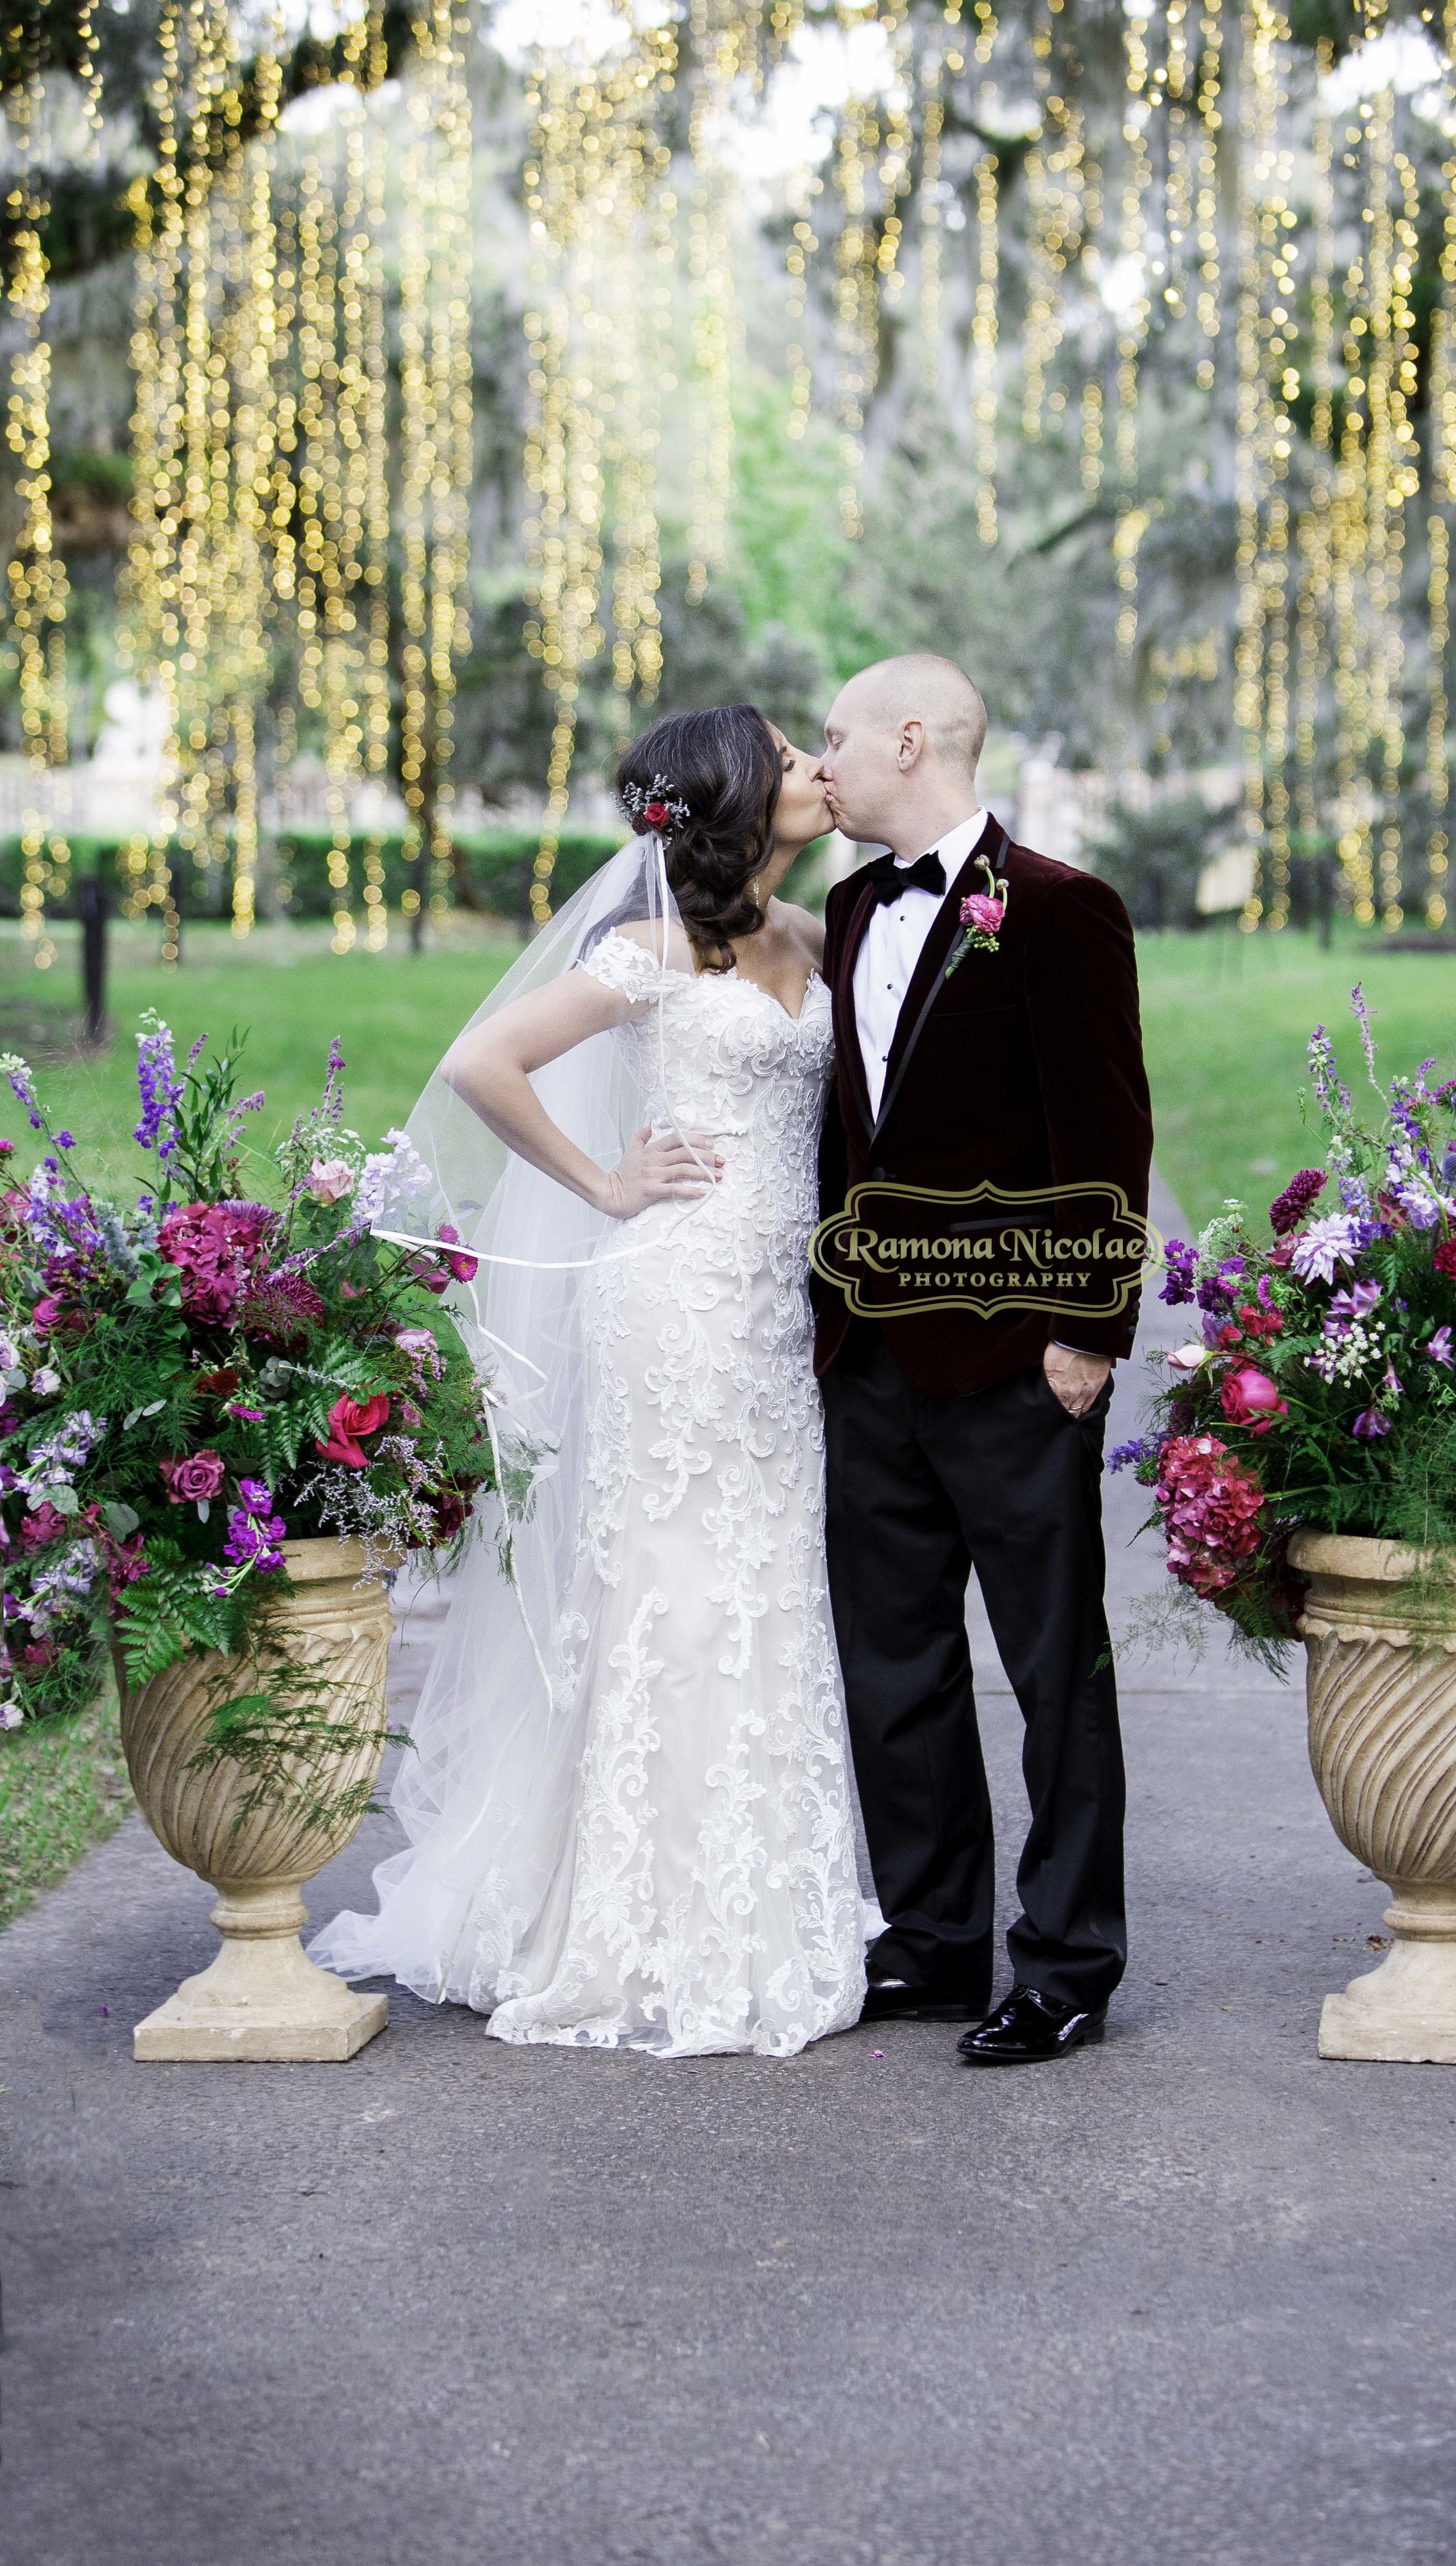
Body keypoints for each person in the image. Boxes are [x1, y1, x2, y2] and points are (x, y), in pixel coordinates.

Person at [311, 705, 872, 2058]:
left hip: (773, 1317)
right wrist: (605, 1182)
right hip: (669, 1301)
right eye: (794, 758)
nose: (815, 772)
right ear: (741, 795)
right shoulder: (650, 950)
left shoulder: (808, 939)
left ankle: (760, 1907)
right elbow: (479, 1063)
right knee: (672, 1595)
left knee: (767, 1589)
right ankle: (637, 1926)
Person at [814, 653, 1153, 2065]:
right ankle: (936, 1939)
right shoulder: (843, 908)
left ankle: (1066, 1961)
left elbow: (1105, 1127)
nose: (817, 764)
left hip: (1019, 1359)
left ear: (909, 738)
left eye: (831, 738)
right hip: (866, 1358)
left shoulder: (1062, 910)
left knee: (1047, 1666)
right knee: (892, 1667)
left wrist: (1090, 1332)